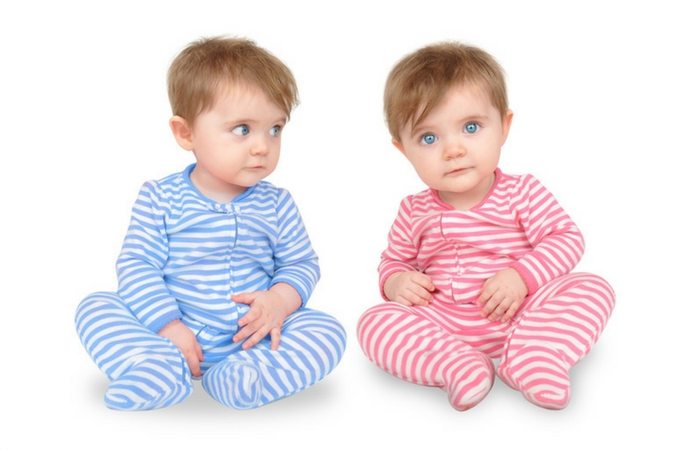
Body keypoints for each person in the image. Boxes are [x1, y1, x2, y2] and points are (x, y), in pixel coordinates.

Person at [75, 37, 346, 411]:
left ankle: (244, 377)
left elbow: (300, 265)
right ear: (186, 133)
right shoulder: (160, 198)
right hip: (171, 334)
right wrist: (167, 326)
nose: (262, 147)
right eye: (242, 129)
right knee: (96, 307)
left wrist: (278, 302)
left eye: (275, 129)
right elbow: (138, 265)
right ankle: (157, 368)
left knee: (327, 331)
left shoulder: (278, 203)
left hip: (253, 337)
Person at [357, 42, 615, 410]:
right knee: (374, 323)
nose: (454, 149)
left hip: (524, 314)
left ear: (504, 127)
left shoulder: (522, 192)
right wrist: (396, 282)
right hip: (443, 323)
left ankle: (535, 356)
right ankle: (456, 365)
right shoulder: (413, 210)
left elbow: (566, 238)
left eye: (471, 127)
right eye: (429, 138)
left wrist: (521, 277)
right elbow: (393, 261)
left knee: (593, 289)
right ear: (403, 149)